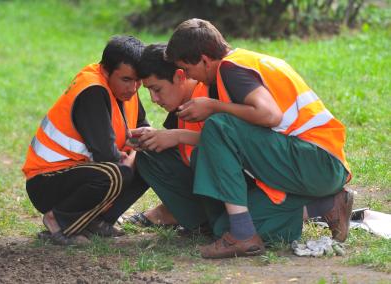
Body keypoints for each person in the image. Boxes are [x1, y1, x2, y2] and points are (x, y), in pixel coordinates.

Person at [165, 19, 353, 258]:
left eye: (189, 70)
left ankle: (243, 236)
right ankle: (325, 204)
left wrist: (214, 106)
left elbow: (269, 114)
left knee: (218, 126)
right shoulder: (244, 61)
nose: (195, 79)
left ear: (204, 59)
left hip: (317, 161)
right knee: (223, 226)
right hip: (313, 165)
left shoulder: (231, 69)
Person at [22, 35, 150, 245]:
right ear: (106, 71)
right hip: (47, 182)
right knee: (117, 173)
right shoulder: (93, 90)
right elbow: (107, 155)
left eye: (138, 81)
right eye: (126, 79)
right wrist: (135, 153)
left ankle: (96, 221)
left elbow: (143, 129)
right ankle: (58, 220)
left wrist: (136, 153)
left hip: (83, 174)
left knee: (149, 162)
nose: (133, 87)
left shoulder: (126, 89)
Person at [125, 43, 211, 231]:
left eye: (157, 89)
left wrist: (178, 136)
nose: (153, 99)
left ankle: (212, 219)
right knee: (149, 154)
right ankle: (193, 218)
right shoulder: (178, 108)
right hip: (207, 184)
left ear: (180, 76)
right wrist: (155, 137)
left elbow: (232, 143)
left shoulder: (209, 96)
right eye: (148, 91)